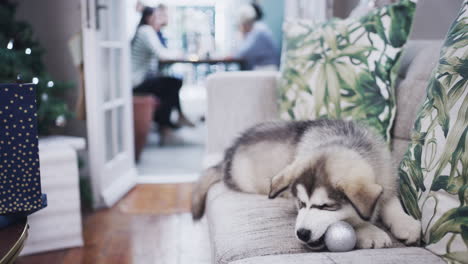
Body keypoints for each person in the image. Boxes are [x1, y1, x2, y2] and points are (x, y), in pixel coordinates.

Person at [131, 6, 194, 145]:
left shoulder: (145, 31)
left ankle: (169, 123)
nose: (160, 21)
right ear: (149, 18)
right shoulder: (146, 30)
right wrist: (181, 54)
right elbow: (162, 54)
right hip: (136, 83)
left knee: (172, 83)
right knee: (172, 84)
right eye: (157, 17)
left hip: (140, 80)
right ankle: (167, 124)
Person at [232, 4, 280, 71]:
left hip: (266, 69)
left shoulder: (259, 31)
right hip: (261, 68)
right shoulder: (257, 29)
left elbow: (241, 54)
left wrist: (241, 34)